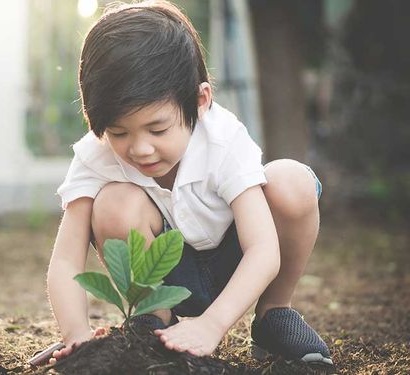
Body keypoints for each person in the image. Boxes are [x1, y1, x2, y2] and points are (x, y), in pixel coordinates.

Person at [46, 0, 333, 366]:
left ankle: (274, 314)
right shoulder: (96, 154)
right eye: (119, 132)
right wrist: (75, 334)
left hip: (238, 265)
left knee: (291, 181)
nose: (140, 148)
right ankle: (155, 318)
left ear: (200, 101)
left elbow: (263, 249)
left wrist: (212, 325)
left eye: (158, 128)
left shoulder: (223, 139)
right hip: (163, 276)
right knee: (113, 203)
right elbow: (67, 258)